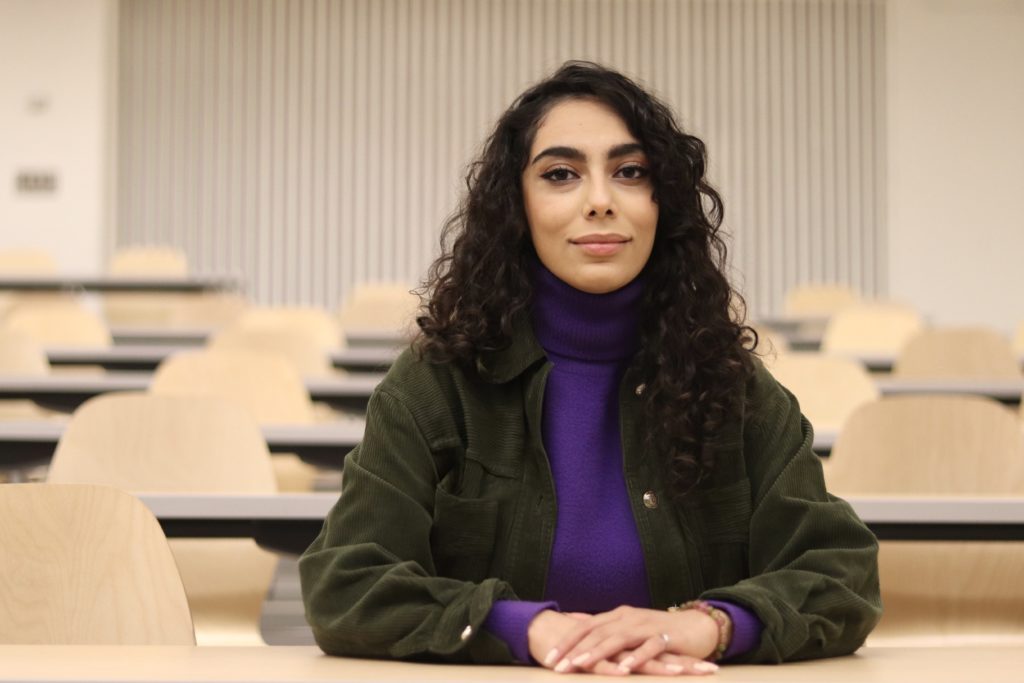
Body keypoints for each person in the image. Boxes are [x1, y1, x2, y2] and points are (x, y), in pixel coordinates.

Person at [300, 61, 881, 675]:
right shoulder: (436, 387)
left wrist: (706, 626)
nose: (600, 202)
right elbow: (346, 582)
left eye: (630, 173)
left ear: (664, 203)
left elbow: (840, 572)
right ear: (516, 206)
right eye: (560, 174)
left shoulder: (733, 387)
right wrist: (525, 628)